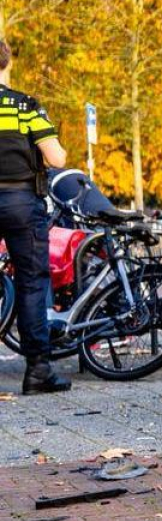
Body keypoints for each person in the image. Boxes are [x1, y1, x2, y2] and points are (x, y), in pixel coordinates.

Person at [0, 38, 72, 393]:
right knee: (31, 283)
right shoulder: (24, 106)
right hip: (19, 201)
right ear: (7, 62)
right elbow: (57, 158)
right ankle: (38, 371)